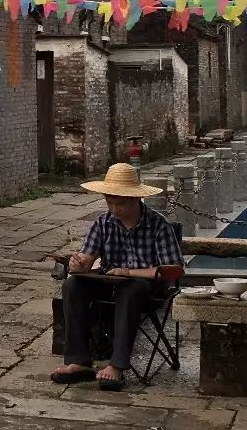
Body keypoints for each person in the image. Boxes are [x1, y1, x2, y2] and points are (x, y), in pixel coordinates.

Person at [51, 163, 184, 392]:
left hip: (148, 287)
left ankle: (117, 365)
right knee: (73, 284)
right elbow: (87, 259)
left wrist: (128, 272)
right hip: (111, 282)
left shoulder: (158, 225)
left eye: (120, 203)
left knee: (131, 289)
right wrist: (78, 263)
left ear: (135, 199)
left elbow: (172, 270)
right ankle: (78, 361)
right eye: (110, 203)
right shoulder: (103, 223)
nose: (115, 209)